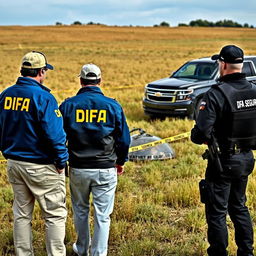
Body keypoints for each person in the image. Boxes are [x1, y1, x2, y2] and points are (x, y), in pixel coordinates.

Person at [0, 51, 69, 256]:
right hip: (41, 165)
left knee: (21, 214)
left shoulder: (5, 95)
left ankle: (23, 253)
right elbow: (55, 134)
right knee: (54, 215)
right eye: (45, 71)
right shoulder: (44, 97)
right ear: (41, 71)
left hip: (14, 163)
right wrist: (61, 161)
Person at [191, 45, 256, 256]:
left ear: (224, 64)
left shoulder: (216, 94)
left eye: (219, 63)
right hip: (246, 159)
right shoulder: (254, 92)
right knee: (239, 207)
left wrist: (201, 136)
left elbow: (200, 133)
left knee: (217, 212)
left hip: (222, 161)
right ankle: (246, 252)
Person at [59, 63, 130, 256]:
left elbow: (57, 135)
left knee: (80, 211)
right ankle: (99, 253)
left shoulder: (68, 105)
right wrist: (120, 161)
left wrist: (61, 159)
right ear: (100, 80)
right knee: (102, 215)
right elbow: (124, 139)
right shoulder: (113, 105)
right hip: (106, 168)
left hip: (78, 168)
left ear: (81, 81)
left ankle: (81, 249)